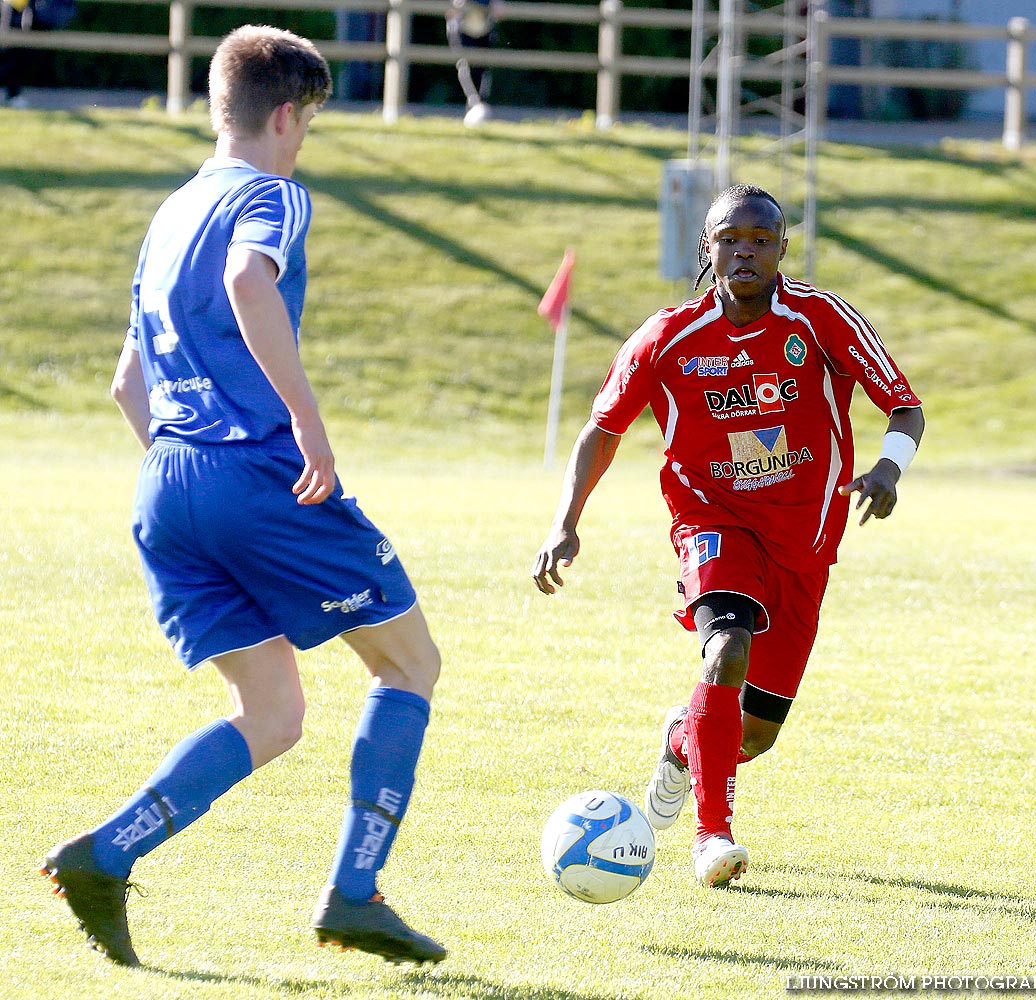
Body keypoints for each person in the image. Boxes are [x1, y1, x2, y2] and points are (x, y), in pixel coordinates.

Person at [41, 25, 445, 967]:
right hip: (254, 474)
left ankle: (103, 856)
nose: (305, 141)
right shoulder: (273, 195)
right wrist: (305, 421)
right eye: (309, 122)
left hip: (166, 485)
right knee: (407, 665)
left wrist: (191, 475)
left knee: (273, 714)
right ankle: (356, 893)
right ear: (289, 113)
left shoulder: (171, 210)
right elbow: (246, 279)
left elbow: (125, 383)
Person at [532, 184, 925, 888]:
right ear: (706, 249)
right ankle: (712, 836)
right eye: (729, 238)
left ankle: (686, 738)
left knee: (755, 734)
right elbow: (603, 429)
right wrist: (566, 524)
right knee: (726, 645)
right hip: (712, 518)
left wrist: (888, 471)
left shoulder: (821, 318)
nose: (744, 249)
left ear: (781, 249)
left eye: (760, 237)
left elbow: (904, 407)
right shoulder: (668, 336)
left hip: (805, 540)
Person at [445, 0, 499, 126]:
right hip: (461, 23)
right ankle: (476, 105)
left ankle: (478, 108)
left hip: (485, 24)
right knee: (465, 65)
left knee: (482, 68)